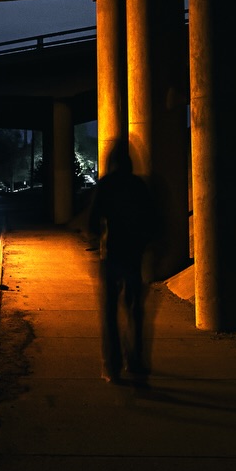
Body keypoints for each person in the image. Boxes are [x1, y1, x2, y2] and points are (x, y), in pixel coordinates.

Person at [85, 138, 157, 385]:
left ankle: (112, 366)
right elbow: (152, 220)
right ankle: (135, 360)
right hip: (133, 255)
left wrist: (99, 237)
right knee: (135, 309)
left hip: (112, 253)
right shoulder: (139, 185)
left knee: (110, 312)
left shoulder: (106, 185)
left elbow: (92, 222)